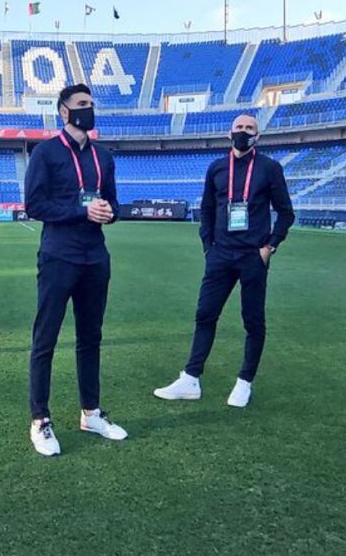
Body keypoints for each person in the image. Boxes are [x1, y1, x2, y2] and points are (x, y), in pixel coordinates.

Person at [153, 114, 294, 408]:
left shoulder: (269, 168)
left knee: (253, 320)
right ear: (229, 133)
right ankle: (191, 378)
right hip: (220, 255)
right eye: (239, 128)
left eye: (250, 128)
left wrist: (270, 246)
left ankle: (244, 381)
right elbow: (206, 210)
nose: (244, 132)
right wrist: (208, 247)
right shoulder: (217, 168)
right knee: (205, 314)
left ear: (258, 136)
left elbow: (286, 212)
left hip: (253, 256)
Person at [24, 83, 128, 457]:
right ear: (64, 112)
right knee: (45, 339)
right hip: (58, 256)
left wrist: (109, 212)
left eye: (91, 104)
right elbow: (34, 205)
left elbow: (114, 203)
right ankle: (40, 419)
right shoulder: (46, 152)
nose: (89, 109)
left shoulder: (104, 155)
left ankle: (91, 412)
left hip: (95, 257)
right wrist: (80, 211)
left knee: (91, 337)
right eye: (82, 104)